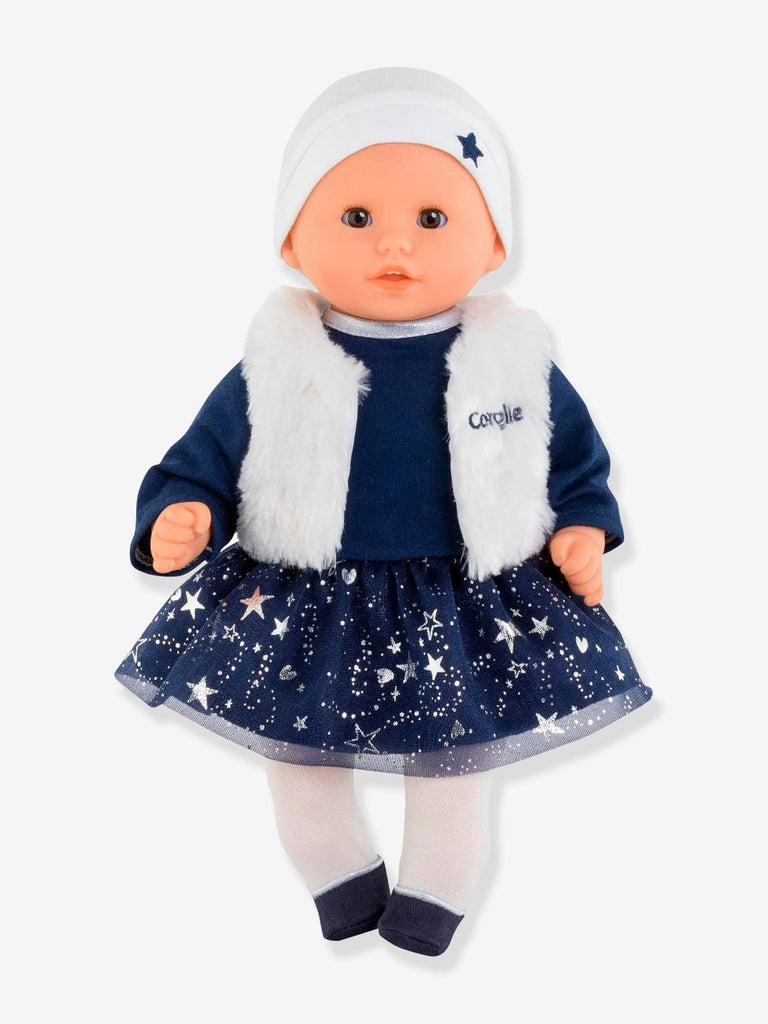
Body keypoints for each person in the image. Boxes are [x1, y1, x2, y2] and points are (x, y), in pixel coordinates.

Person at [115, 67, 652, 956]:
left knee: (453, 764)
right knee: (299, 764)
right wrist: (184, 514)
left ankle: (437, 898)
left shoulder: (510, 359)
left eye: (432, 218)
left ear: (493, 243)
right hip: (306, 597)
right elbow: (201, 459)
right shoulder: (279, 359)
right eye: (356, 217)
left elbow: (574, 461)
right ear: (292, 240)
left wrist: (582, 528)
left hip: (463, 598)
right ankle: (338, 876)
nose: (393, 243)